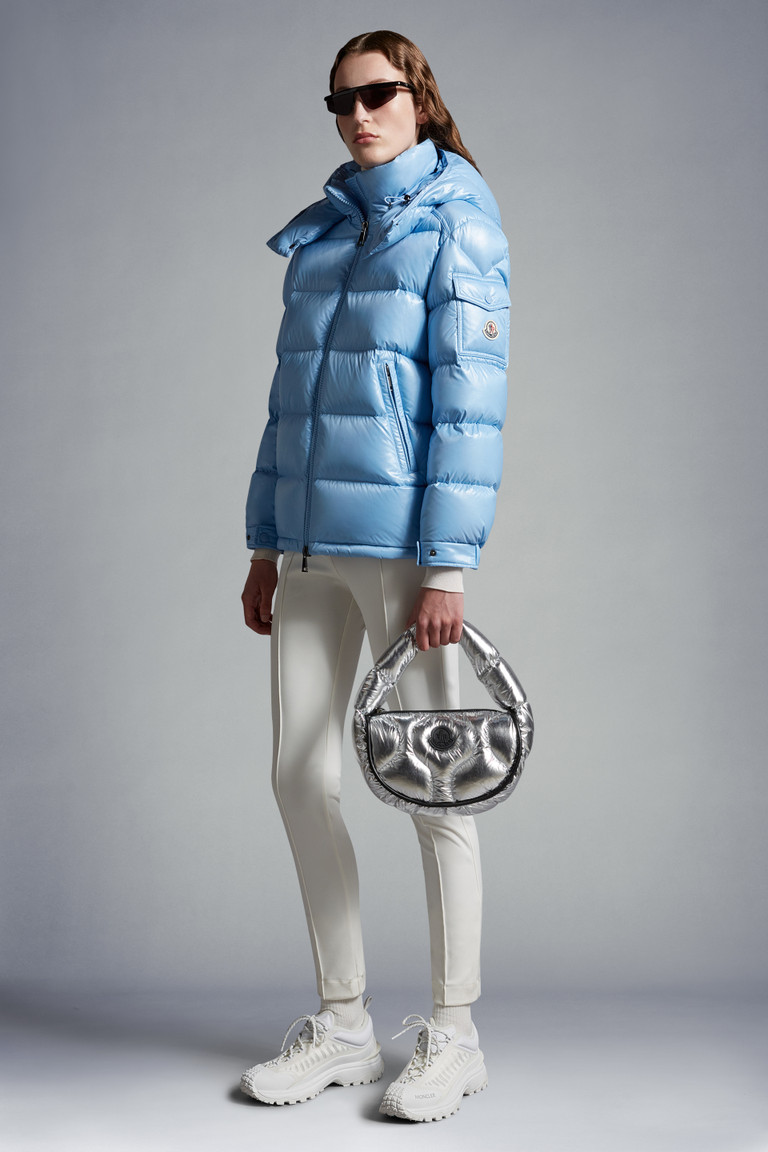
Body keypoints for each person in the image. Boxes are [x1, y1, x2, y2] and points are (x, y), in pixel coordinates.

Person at [239, 30, 510, 1123]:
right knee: (298, 773)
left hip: (403, 553)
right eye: (341, 101)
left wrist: (447, 567)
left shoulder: (461, 224)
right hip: (308, 548)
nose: (358, 116)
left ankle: (455, 1034)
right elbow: (287, 402)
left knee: (433, 784)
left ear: (420, 98)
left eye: (378, 95)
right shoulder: (323, 234)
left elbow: (471, 406)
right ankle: (344, 1024)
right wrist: (264, 543)